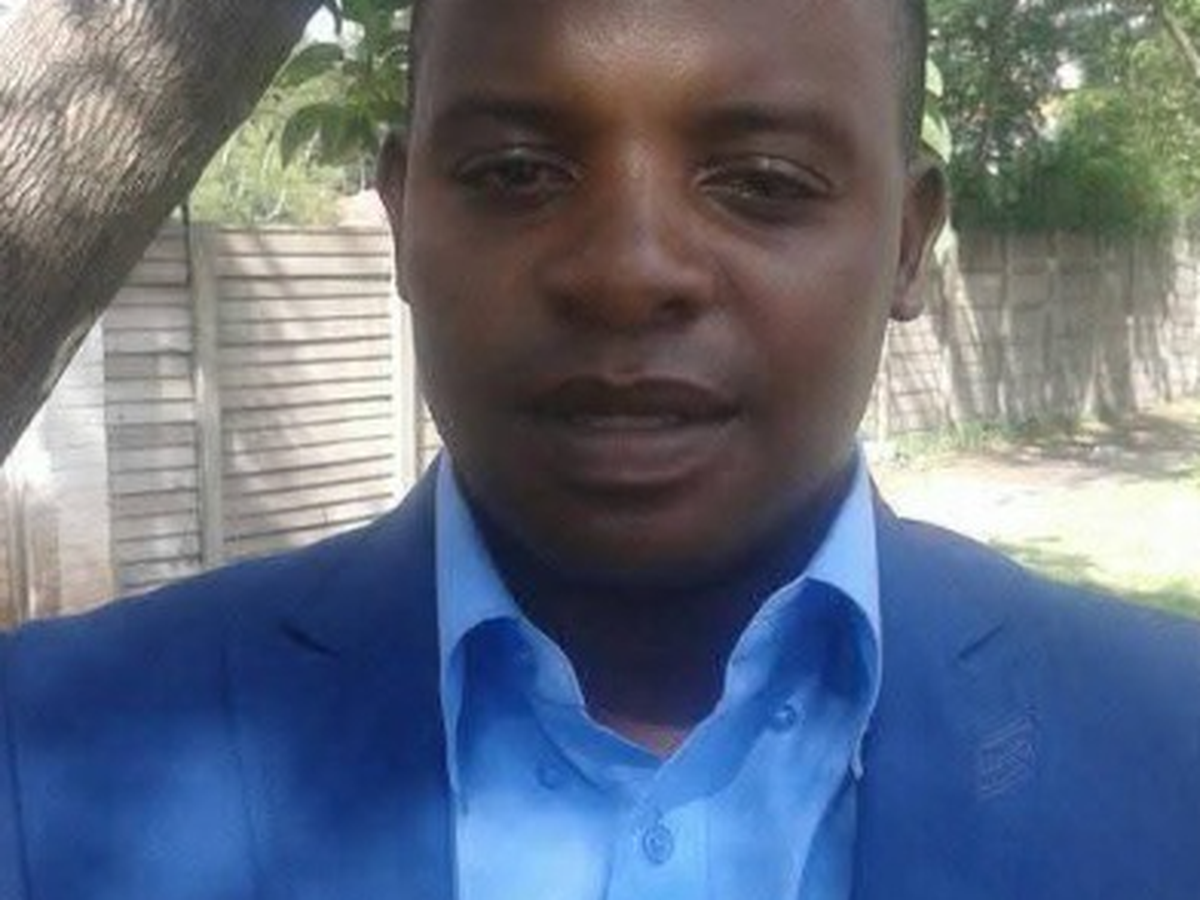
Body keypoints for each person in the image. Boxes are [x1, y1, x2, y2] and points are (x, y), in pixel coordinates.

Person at [2, 0, 1198, 896]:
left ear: (906, 243)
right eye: (518, 172)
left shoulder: (1169, 739)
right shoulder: (43, 751)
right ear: (405, 217)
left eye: (763, 181)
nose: (627, 270)